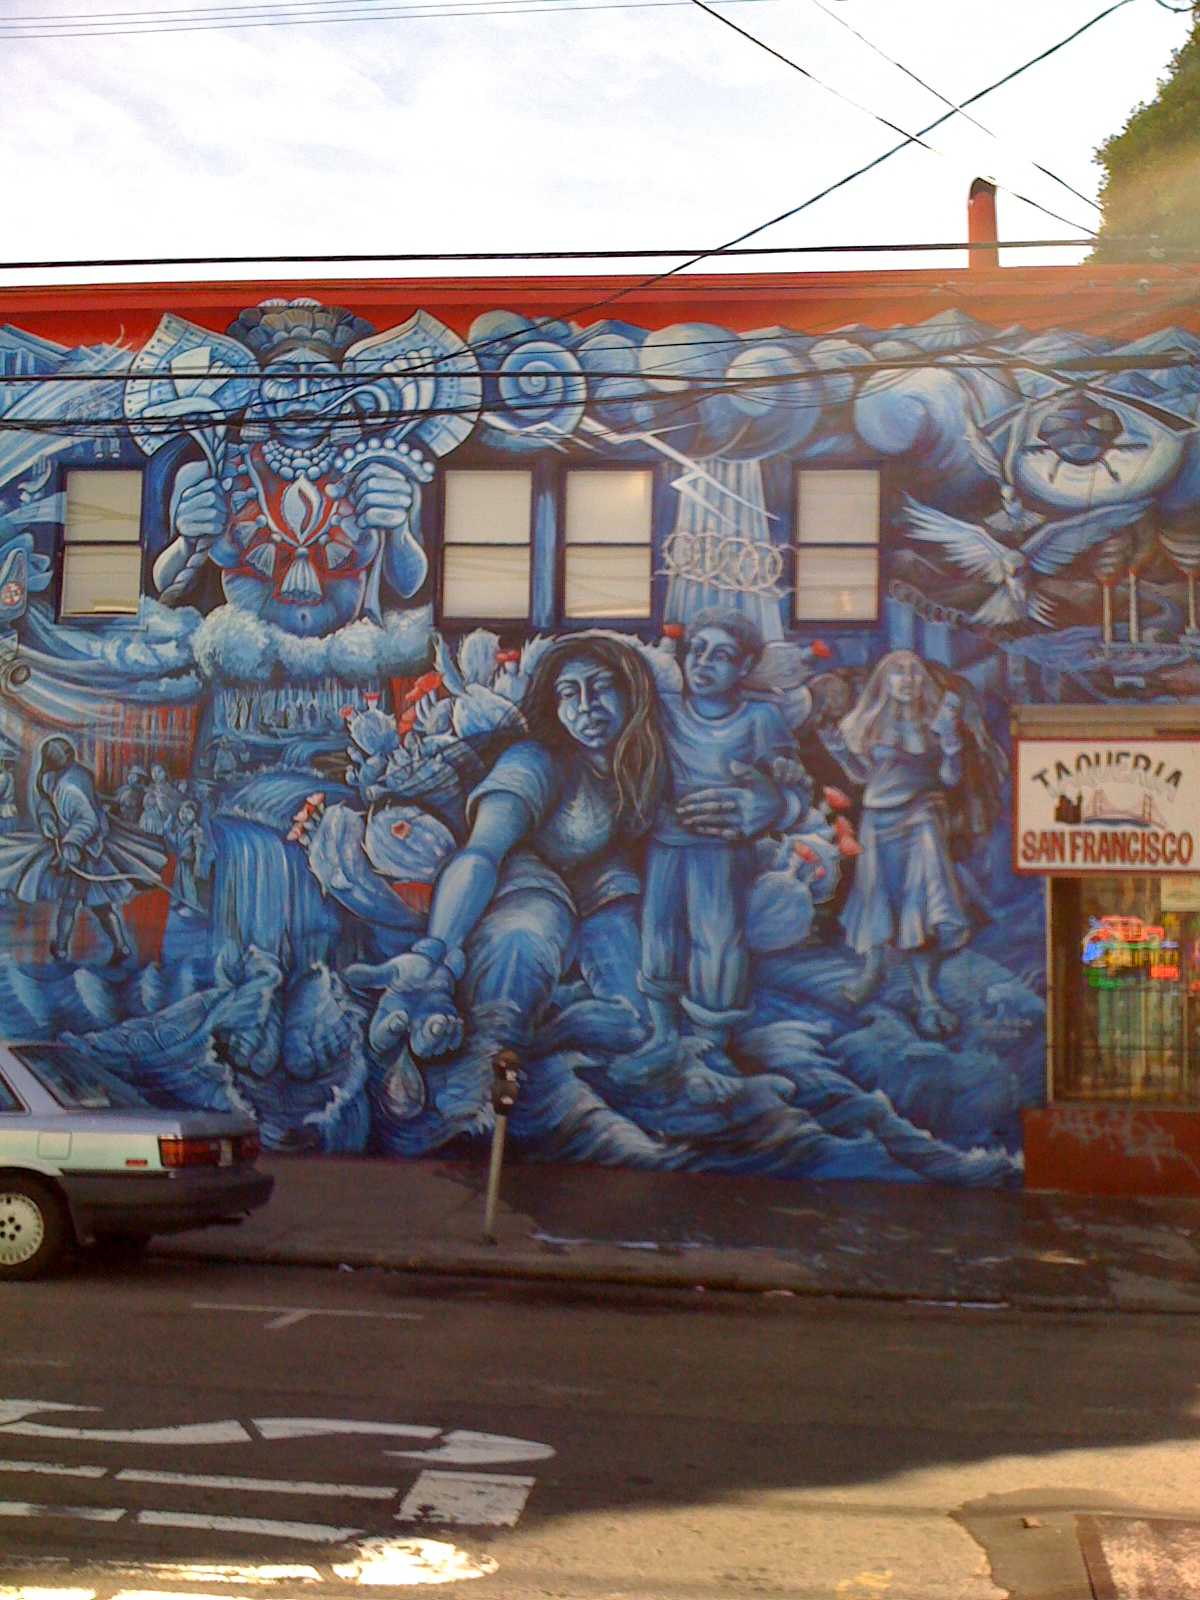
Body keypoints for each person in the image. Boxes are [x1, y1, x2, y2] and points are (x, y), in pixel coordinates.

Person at [352, 635, 668, 1082]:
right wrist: (434, 951)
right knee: (521, 942)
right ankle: (484, 1070)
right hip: (527, 882)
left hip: (604, 890)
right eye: (569, 693)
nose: (586, 705)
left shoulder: (647, 763)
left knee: (634, 1021)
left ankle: (542, 1053)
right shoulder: (533, 762)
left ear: (631, 691)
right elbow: (482, 853)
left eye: (601, 686)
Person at [637, 608, 810, 1058]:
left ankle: (711, 1044)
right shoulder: (665, 709)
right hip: (666, 843)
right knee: (660, 932)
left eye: (722, 655)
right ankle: (662, 1035)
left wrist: (778, 784)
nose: (703, 663)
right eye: (697, 650)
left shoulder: (759, 718)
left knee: (715, 939)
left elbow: (790, 782)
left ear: (745, 666)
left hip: (722, 850)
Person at [829, 649, 1006, 1038]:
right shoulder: (870, 723)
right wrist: (840, 753)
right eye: (898, 673)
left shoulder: (936, 723)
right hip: (878, 822)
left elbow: (950, 778)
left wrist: (950, 744)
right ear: (885, 681)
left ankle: (926, 995)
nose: (906, 680)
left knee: (923, 905)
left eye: (913, 673)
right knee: (877, 898)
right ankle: (873, 972)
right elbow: (862, 776)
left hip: (922, 817)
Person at [0, 737, 165, 963]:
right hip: (79, 852)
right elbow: (46, 801)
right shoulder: (57, 777)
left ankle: (64, 949)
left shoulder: (69, 787)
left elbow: (87, 821)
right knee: (95, 905)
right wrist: (47, 818)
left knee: (75, 904)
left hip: (86, 855)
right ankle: (116, 946)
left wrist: (71, 842)